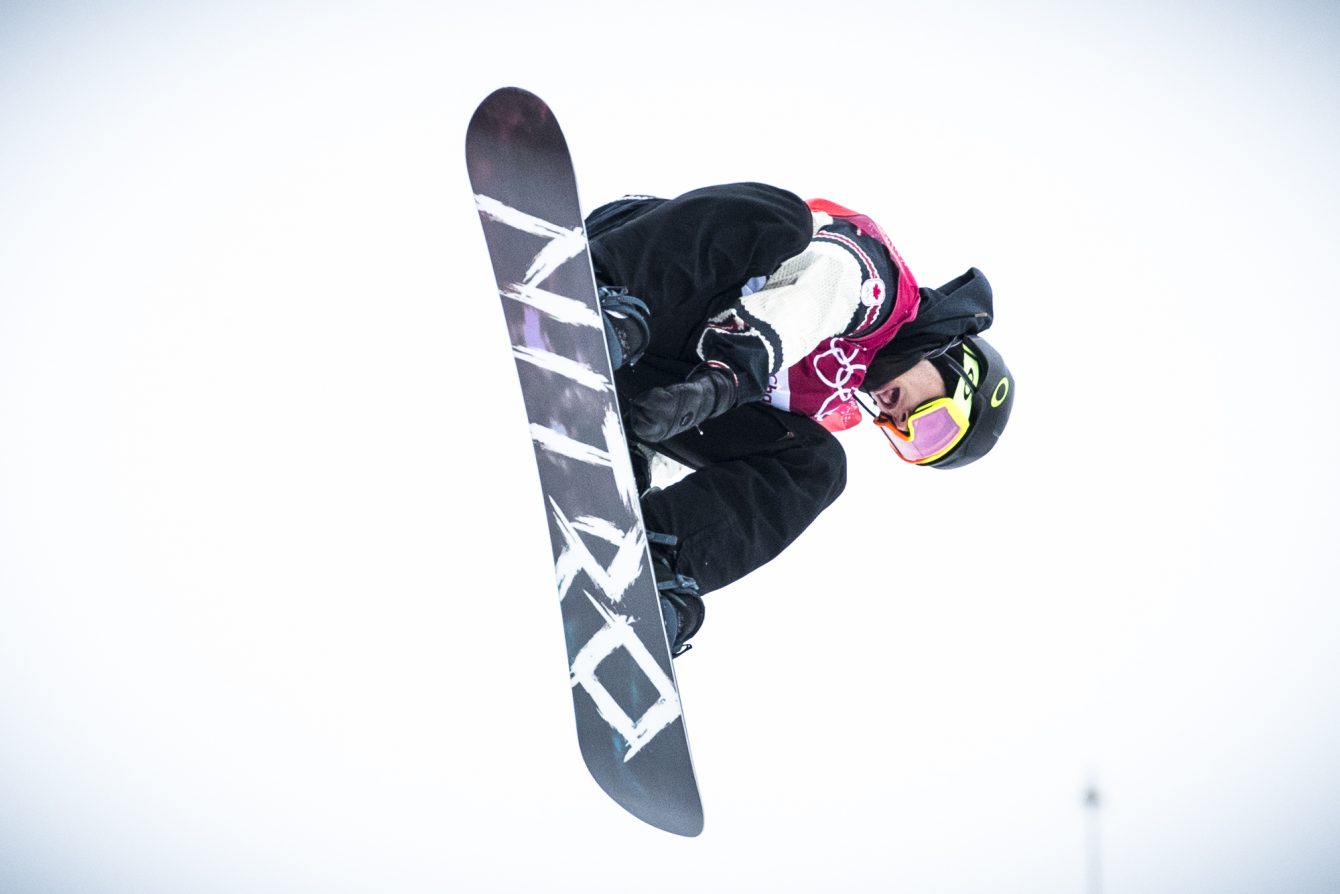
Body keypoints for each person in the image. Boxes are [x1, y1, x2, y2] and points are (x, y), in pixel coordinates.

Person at [587, 183, 1014, 655]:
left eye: (913, 444)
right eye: (935, 424)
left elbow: (683, 417)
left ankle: (657, 556)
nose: (902, 423)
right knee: (781, 216)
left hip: (641, 368)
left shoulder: (825, 400)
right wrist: (729, 379)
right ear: (956, 366)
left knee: (817, 463)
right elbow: (819, 295)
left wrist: (629, 468)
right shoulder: (884, 293)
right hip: (645, 273)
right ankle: (600, 291)